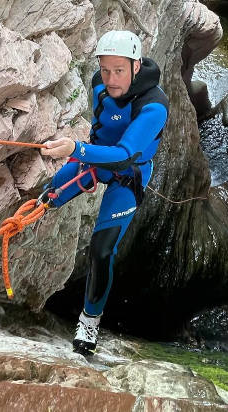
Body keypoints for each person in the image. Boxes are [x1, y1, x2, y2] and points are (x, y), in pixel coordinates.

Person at [39, 30, 169, 356]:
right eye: (105, 69)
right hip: (95, 160)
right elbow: (101, 128)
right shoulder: (99, 82)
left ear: (136, 66)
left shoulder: (154, 106)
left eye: (119, 71)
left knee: (102, 249)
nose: (110, 79)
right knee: (45, 199)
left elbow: (125, 154)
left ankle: (89, 321)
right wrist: (82, 154)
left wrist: (75, 149)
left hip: (128, 174)